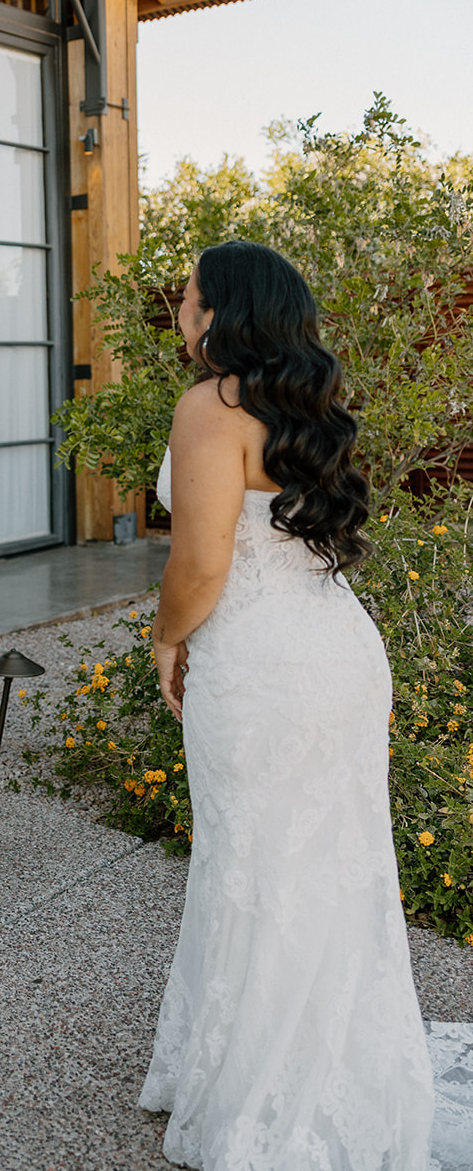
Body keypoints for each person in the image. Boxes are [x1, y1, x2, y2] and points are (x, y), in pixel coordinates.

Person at [138, 241, 435, 1169]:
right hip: (336, 652)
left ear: (218, 312)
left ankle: (265, 1096)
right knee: (330, 862)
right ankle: (330, 1070)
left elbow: (200, 564)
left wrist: (165, 637)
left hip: (260, 664)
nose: (180, 310)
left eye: (188, 296)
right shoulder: (306, 402)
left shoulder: (209, 406)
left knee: (254, 865)